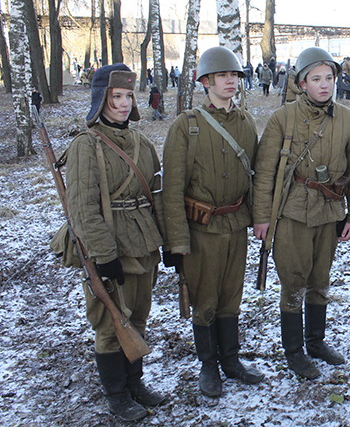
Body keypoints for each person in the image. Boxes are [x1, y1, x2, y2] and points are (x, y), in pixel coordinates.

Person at [253, 47, 350, 380]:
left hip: (330, 212)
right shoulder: (283, 118)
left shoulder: (348, 119)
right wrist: (261, 217)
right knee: (294, 282)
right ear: (302, 83)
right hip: (292, 212)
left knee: (320, 280)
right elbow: (265, 172)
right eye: (316, 79)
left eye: (329, 78)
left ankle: (316, 342)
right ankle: (294, 351)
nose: (324, 85)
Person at [161, 46, 263, 397]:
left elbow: (255, 178)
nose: (230, 81)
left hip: (235, 225)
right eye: (222, 76)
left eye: (234, 75)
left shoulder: (246, 123)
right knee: (205, 300)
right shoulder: (186, 126)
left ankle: (231, 360)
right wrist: (176, 241)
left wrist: (259, 219)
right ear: (205, 82)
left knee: (231, 297)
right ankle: (208, 364)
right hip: (201, 229)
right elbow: (172, 189)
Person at [66, 63, 166, 421]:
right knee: (111, 324)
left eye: (128, 96)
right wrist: (103, 255)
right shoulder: (86, 145)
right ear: (100, 99)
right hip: (110, 246)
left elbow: (156, 195)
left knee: (137, 318)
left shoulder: (142, 143)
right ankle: (117, 395)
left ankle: (135, 384)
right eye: (116, 97)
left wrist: (168, 242)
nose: (124, 104)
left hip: (143, 243)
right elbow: (82, 209)